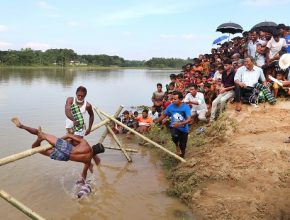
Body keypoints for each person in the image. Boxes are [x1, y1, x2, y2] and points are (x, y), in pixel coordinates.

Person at [11, 117, 100, 184]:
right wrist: (84, 182)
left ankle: (22, 126)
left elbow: (69, 135)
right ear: (96, 154)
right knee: (35, 149)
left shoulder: (85, 144)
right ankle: (39, 139)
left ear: (93, 146)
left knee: (41, 133)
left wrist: (57, 141)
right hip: (65, 157)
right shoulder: (88, 161)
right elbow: (84, 174)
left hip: (66, 147)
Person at [156, 91, 191, 158]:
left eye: (175, 99)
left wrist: (180, 124)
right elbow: (163, 115)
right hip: (174, 127)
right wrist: (155, 122)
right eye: (172, 99)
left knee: (183, 146)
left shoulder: (186, 107)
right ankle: (177, 147)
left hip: (184, 129)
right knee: (174, 136)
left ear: (181, 99)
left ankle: (181, 158)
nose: (172, 101)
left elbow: (189, 119)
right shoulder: (170, 106)